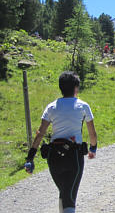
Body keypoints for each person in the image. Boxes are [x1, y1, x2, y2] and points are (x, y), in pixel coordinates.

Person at [24, 71, 97, 213]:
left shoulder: (51, 107)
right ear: (76, 88)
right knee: (69, 197)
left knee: (64, 192)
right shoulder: (83, 106)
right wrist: (93, 148)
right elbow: (92, 133)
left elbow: (40, 134)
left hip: (54, 157)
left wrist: (30, 158)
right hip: (74, 157)